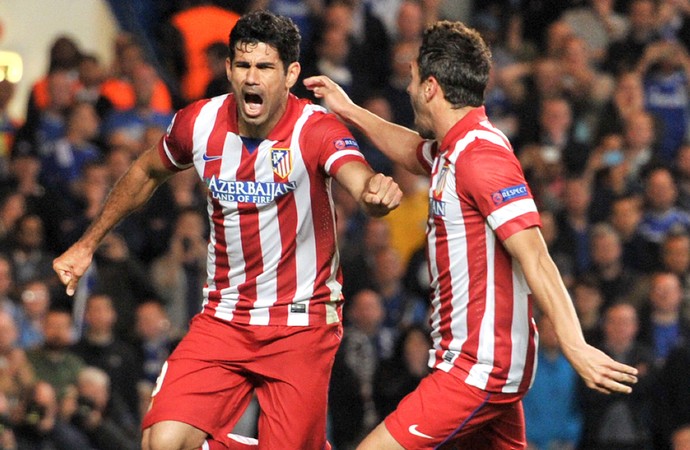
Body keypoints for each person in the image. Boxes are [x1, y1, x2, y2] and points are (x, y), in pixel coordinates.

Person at [53, 11, 402, 450]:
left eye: (265, 67)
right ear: (228, 70)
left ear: (291, 74)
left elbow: (357, 177)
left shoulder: (314, 128)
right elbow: (145, 171)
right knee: (163, 442)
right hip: (225, 318)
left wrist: (375, 192)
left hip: (300, 323)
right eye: (243, 65)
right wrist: (86, 245)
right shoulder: (198, 122)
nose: (251, 78)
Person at [304, 19, 639, 449]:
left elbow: (535, 254)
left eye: (410, 81)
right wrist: (347, 109)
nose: (406, 92)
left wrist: (576, 345)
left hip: (477, 370)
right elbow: (410, 150)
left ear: (430, 87)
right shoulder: (454, 147)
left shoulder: (480, 156)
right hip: (485, 368)